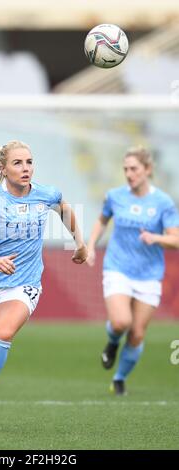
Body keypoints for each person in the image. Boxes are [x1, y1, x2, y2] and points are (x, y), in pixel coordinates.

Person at [0, 140, 88, 427]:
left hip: (24, 284)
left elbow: (64, 209)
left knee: (5, 334)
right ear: (3, 169)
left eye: (29, 162)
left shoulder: (46, 194)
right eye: (17, 163)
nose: (26, 168)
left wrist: (80, 243)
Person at [86, 146, 179, 395]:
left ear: (147, 170)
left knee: (137, 334)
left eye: (134, 169)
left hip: (149, 275)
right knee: (120, 322)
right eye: (126, 169)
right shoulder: (115, 196)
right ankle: (112, 343)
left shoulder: (163, 202)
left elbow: (176, 239)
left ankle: (119, 378)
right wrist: (91, 246)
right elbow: (102, 220)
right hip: (118, 267)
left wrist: (156, 238)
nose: (129, 173)